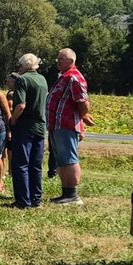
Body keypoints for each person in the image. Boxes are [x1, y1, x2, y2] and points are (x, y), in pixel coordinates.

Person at [46, 48, 91, 206]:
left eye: (61, 59)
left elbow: (83, 103)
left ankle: (73, 195)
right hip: (56, 125)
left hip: (67, 124)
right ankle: (65, 193)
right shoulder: (63, 77)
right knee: (61, 160)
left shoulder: (73, 78)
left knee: (69, 159)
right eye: (58, 58)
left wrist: (82, 116)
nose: (58, 61)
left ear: (71, 61)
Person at [8, 53, 48, 209]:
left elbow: (21, 105)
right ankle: (36, 199)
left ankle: (23, 201)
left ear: (24, 66)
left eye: (20, 65)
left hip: (25, 127)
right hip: (40, 126)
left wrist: (13, 119)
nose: (19, 68)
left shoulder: (22, 79)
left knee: (21, 164)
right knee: (35, 165)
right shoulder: (42, 79)